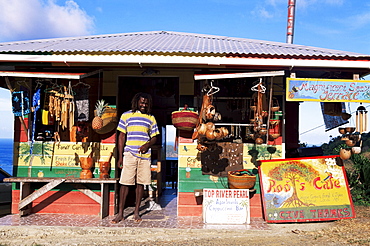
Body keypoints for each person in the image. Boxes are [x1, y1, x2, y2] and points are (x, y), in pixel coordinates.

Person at [112, 92, 160, 223]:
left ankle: (137, 212)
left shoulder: (151, 118)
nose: (144, 104)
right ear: (136, 102)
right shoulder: (126, 115)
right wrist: (120, 157)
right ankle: (120, 213)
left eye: (146, 102)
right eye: (142, 102)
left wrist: (147, 144)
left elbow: (155, 137)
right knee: (125, 183)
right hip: (129, 154)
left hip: (144, 156)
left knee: (141, 184)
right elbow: (121, 137)